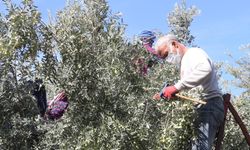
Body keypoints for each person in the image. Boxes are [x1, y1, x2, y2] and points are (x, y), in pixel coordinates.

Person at [152, 34, 224, 150]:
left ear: (174, 44)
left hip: (209, 104)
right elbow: (193, 88)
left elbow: (205, 69)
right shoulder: (184, 62)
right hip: (201, 107)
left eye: (166, 55)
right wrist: (176, 95)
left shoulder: (194, 53)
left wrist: (176, 87)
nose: (167, 59)